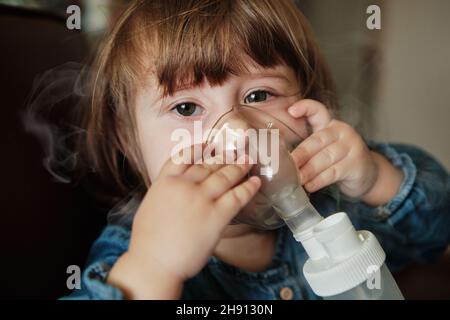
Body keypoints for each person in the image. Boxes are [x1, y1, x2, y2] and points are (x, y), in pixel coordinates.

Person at [61, 0, 450, 299]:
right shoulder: (132, 249)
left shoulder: (339, 202)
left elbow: (437, 232)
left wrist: (377, 178)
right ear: (130, 142)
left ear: (308, 110)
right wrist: (152, 267)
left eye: (260, 94)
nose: (237, 132)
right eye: (185, 108)